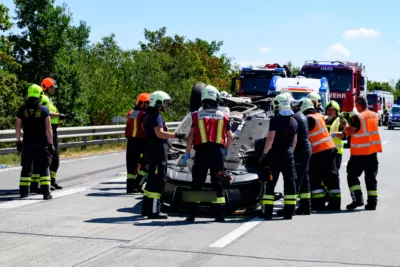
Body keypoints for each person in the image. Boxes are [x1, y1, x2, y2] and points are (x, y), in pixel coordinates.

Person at [184, 85, 233, 222]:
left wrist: (187, 153)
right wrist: (226, 150)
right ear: (216, 99)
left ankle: (191, 215)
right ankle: (219, 215)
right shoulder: (223, 116)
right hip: (217, 153)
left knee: (197, 183)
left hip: (201, 152)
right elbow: (230, 136)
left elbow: (191, 136)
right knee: (217, 183)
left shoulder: (196, 115)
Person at [333, 97, 382, 210]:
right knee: (371, 178)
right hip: (372, 153)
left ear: (359, 105)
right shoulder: (374, 115)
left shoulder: (358, 117)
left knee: (352, 175)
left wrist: (343, 127)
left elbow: (347, 133)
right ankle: (372, 203)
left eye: (355, 105)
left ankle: (358, 199)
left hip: (359, 154)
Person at [144, 91, 185, 219]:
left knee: (151, 181)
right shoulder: (156, 116)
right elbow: (159, 133)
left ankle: (147, 209)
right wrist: (175, 135)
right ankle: (154, 211)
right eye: (165, 103)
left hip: (152, 152)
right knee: (158, 181)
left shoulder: (149, 115)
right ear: (158, 103)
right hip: (157, 154)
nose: (166, 105)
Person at [258, 94, 298, 220]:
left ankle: (268, 213)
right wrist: (290, 153)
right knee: (290, 183)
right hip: (289, 155)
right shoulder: (294, 121)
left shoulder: (275, 120)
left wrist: (263, 155)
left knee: (271, 183)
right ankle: (289, 213)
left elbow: (270, 140)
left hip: (275, 156)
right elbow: (295, 142)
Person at [301, 98, 341, 211]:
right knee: (331, 177)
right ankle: (335, 203)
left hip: (319, 151)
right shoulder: (318, 116)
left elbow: (303, 136)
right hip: (330, 148)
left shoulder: (308, 119)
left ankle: (318, 203)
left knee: (315, 178)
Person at [16, 84, 54, 199]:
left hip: (27, 143)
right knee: (44, 167)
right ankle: (46, 193)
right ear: (40, 95)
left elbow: (17, 127)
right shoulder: (44, 110)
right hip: (41, 143)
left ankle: (23, 192)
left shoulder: (22, 110)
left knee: (26, 167)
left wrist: (18, 141)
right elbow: (48, 129)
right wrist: (51, 144)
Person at [32, 78, 65, 191]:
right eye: (52, 87)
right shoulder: (44, 98)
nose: (54, 90)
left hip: (53, 129)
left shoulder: (48, 99)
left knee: (55, 158)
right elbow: (44, 112)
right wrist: (59, 115)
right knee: (49, 157)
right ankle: (44, 183)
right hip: (47, 131)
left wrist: (58, 120)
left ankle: (52, 181)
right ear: (45, 87)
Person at [290, 96, 312, 215]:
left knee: (296, 179)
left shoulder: (295, 118)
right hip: (305, 149)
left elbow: (294, 138)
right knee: (304, 179)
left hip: (300, 151)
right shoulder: (302, 116)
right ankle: (306, 206)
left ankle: (291, 208)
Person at [125, 93, 150, 194]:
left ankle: (130, 188)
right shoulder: (144, 115)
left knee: (131, 167)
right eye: (147, 104)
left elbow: (127, 120)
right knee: (146, 164)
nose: (148, 106)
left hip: (130, 142)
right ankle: (138, 184)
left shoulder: (130, 113)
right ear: (141, 104)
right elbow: (145, 129)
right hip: (141, 143)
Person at [325, 100, 346, 170]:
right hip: (324, 151)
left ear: (337, 111)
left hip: (336, 153)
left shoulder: (340, 121)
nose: (329, 112)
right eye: (328, 110)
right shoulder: (323, 119)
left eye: (332, 110)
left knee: (334, 175)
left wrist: (334, 134)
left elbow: (344, 135)